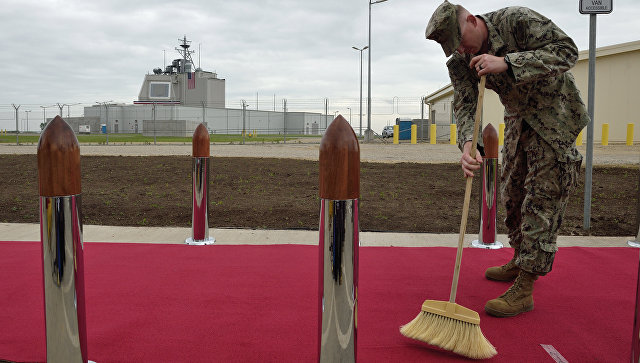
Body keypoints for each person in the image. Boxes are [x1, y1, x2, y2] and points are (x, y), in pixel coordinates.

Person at [425, 1, 589, 317]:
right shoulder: (461, 59)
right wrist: (466, 146)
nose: (460, 50)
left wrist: (508, 63)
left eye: (460, 41)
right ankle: (519, 257)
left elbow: (567, 51)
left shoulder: (517, 21)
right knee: (512, 196)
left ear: (471, 21)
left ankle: (526, 285)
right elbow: (464, 106)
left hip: (553, 116)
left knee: (542, 199)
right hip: (517, 120)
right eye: (453, 48)